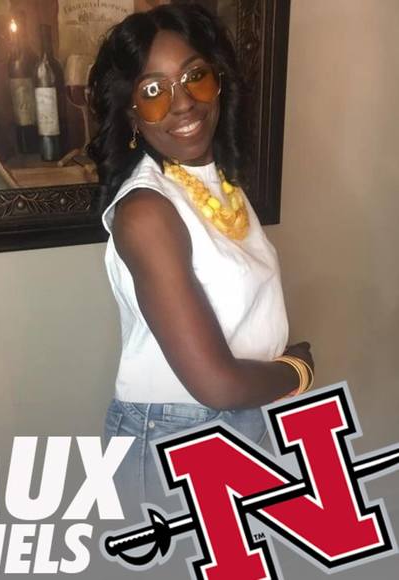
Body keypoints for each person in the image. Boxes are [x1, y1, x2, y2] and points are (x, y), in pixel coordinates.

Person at [87, 3, 314, 511]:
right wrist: (297, 371)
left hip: (238, 415)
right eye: (153, 90)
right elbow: (215, 383)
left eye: (194, 76)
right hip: (176, 435)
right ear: (131, 113)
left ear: (219, 81)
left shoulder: (218, 183)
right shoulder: (146, 211)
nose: (183, 102)